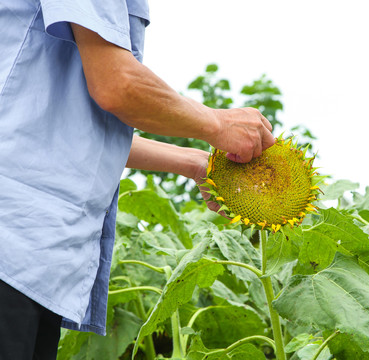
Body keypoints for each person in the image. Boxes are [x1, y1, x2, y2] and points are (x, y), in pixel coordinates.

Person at [0, 0, 274, 359]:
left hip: (30, 258)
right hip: (14, 242)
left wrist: (196, 163)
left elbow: (70, 128)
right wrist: (217, 123)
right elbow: (116, 84)